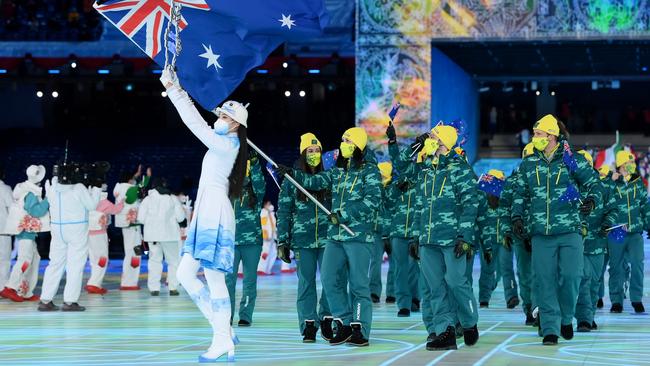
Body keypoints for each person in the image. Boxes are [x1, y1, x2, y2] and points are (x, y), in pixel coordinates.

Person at [161, 68, 245, 362]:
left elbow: (195, 124)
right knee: (184, 274)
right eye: (220, 115)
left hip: (215, 213)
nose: (219, 119)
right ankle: (222, 330)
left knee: (214, 279)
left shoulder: (226, 145)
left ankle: (222, 339)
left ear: (235, 125)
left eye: (224, 117)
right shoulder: (227, 144)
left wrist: (175, 91)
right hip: (206, 210)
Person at [278, 127, 382, 347]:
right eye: (342, 139)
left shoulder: (370, 171)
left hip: (357, 237)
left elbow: (373, 201)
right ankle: (343, 322)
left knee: (358, 285)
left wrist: (344, 215)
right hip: (335, 238)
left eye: (347, 141)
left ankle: (360, 329)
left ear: (357, 145)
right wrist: (290, 173)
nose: (342, 144)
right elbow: (314, 182)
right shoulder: (337, 171)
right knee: (328, 279)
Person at [511, 114, 601, 345]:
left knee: (572, 277)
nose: (534, 138)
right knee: (544, 280)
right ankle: (550, 327)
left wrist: (591, 199)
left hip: (570, 230)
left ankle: (566, 318)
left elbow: (593, 182)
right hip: (541, 233)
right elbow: (519, 193)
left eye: (539, 134)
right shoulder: (529, 163)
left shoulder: (571, 159)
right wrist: (517, 217)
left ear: (551, 135)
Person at [395, 125, 481, 351]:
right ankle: (446, 332)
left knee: (456, 281)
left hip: (452, 238)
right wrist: (415, 236)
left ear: (444, 142)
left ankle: (470, 322)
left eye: (432, 137)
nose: (429, 140)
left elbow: (470, 204)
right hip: (427, 239)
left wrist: (465, 236)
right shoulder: (424, 168)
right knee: (435, 287)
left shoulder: (459, 168)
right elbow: (403, 173)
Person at [276, 132, 333, 342]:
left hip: (328, 240)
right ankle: (309, 323)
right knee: (306, 283)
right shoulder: (291, 181)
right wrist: (283, 240)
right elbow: (283, 211)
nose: (314, 154)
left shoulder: (328, 177)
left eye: (317, 150)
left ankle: (327, 317)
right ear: (302, 153)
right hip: (303, 240)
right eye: (310, 151)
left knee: (330, 281)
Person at [38, 167, 101, 311]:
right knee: (75, 265)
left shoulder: (52, 187)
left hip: (58, 229)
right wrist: (96, 188)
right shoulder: (78, 188)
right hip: (76, 229)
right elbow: (91, 205)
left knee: (54, 264)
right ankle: (70, 301)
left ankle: (46, 300)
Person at [574, 150, 618, 331]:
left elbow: (613, 210)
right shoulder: (570, 186)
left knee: (594, 282)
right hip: (577, 242)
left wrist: (607, 223)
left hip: (598, 242)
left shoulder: (603, 188)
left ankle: (589, 314)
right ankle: (583, 318)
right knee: (583, 280)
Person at [385, 125, 422, 317]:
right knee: (399, 268)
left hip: (417, 229)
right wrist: (392, 142)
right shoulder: (397, 179)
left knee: (415, 267)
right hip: (398, 230)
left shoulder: (423, 173)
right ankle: (403, 303)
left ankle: (415, 298)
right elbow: (388, 201)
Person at [226, 150, 265, 327]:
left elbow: (260, 182)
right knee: (228, 280)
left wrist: (255, 162)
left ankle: (246, 315)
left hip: (252, 242)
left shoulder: (255, 191)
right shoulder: (227, 190)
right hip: (230, 241)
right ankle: (227, 315)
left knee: (249, 280)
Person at [608, 150, 649, 314]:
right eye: (627, 163)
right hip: (616, 232)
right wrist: (609, 181)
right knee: (616, 267)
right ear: (620, 165)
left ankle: (636, 299)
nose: (631, 165)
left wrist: (649, 224)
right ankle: (616, 300)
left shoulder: (638, 183)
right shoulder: (611, 183)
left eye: (632, 163)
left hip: (635, 233)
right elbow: (604, 203)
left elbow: (646, 206)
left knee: (638, 265)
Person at [1, 165, 50, 302]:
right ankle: (10, 287)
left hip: (26, 231)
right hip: (26, 231)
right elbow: (37, 211)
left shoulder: (23, 188)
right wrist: (48, 199)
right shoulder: (30, 193)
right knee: (25, 259)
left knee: (34, 259)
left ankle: (25, 291)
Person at [137, 177, 186, 296]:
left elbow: (141, 219)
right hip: (170, 236)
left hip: (153, 236)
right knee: (173, 262)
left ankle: (154, 288)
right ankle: (173, 287)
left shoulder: (148, 200)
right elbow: (180, 217)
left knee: (154, 261)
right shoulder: (172, 198)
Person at [86, 167, 124, 295]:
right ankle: (94, 283)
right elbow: (116, 210)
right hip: (100, 234)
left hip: (87, 233)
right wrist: (122, 200)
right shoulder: (104, 201)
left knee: (93, 259)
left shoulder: (87, 199)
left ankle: (93, 281)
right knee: (102, 258)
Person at [113, 170, 145, 291]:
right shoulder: (129, 189)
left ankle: (128, 281)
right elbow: (133, 195)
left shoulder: (119, 188)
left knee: (131, 253)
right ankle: (129, 282)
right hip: (132, 225)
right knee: (134, 253)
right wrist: (144, 180)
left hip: (127, 224)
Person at [0, 166, 13, 289]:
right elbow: (12, 209)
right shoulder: (5, 189)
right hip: (2, 232)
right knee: (4, 261)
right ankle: (2, 287)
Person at [258, 200, 278, 275]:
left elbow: (273, 225)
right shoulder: (263, 213)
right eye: (269, 204)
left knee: (273, 253)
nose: (271, 205)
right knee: (265, 253)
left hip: (273, 237)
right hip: (266, 237)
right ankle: (261, 269)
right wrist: (265, 235)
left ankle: (268, 270)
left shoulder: (272, 213)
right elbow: (263, 225)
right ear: (265, 205)